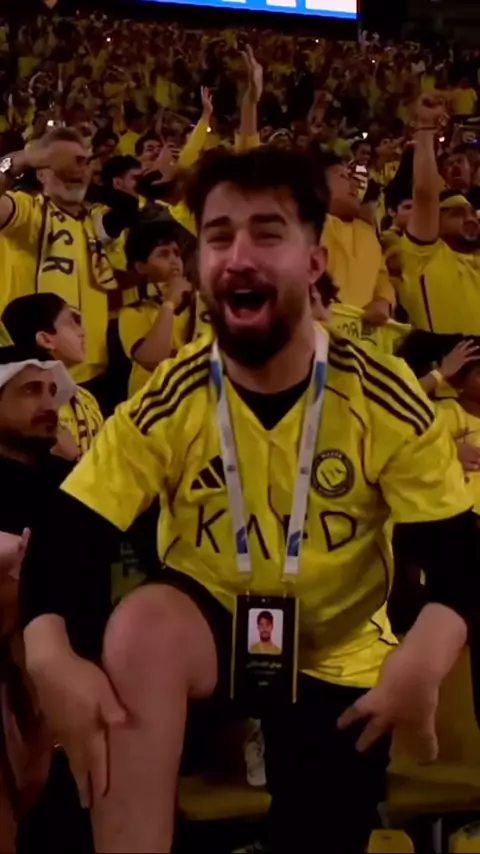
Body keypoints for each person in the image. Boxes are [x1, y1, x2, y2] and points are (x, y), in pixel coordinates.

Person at [20, 148, 480, 854]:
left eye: (267, 234)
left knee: (322, 831)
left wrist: (426, 653)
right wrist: (48, 650)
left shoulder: (384, 396)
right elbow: (72, 525)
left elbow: (457, 551)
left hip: (338, 647)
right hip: (212, 627)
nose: (238, 256)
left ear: (315, 262)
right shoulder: (173, 396)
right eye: (218, 236)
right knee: (142, 629)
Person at [0, 127, 118, 406]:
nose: (73, 168)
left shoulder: (94, 220)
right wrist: (24, 160)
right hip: (34, 373)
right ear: (41, 173)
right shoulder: (28, 211)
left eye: (81, 161)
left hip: (93, 373)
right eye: (61, 160)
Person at [399, 93, 480, 334]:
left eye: (472, 213)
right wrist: (426, 127)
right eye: (457, 213)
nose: (471, 219)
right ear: (436, 222)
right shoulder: (424, 257)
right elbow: (425, 194)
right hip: (445, 355)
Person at [2, 294, 104, 457]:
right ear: (45, 339)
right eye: (72, 323)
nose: (82, 332)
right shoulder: (24, 412)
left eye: (53, 391)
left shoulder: (86, 399)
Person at [119, 218, 195, 397]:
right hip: (152, 405)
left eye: (176, 253)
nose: (174, 260)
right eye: (163, 254)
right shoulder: (133, 313)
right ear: (141, 267)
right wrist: (169, 303)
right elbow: (155, 359)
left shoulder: (202, 303)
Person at [319, 152, 396, 324]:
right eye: (343, 177)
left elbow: (382, 279)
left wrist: (383, 302)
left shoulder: (367, 232)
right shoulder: (308, 226)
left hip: (362, 334)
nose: (355, 185)